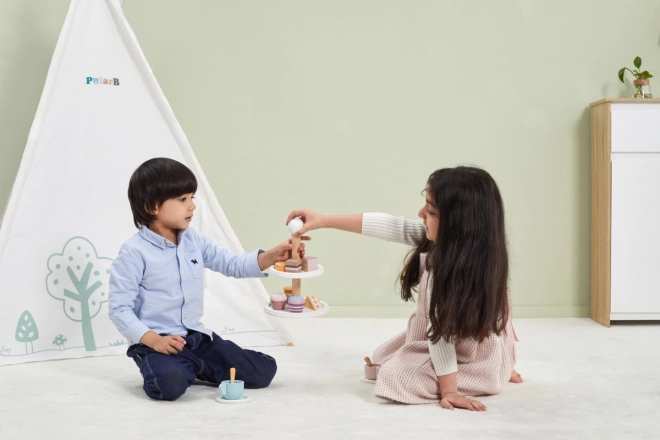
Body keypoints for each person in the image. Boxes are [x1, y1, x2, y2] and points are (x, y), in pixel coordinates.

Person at [287, 166, 522, 411]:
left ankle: (484, 374)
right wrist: (324, 220)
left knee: (395, 376)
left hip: (452, 344)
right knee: (380, 357)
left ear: (457, 224)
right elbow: (392, 226)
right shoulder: (472, 248)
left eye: (430, 211)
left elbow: (439, 335)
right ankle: (491, 368)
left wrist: (449, 390)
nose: (421, 213)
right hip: (470, 344)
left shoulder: (446, 271)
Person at [109, 157, 304, 401]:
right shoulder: (134, 253)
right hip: (157, 344)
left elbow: (233, 264)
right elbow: (119, 309)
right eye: (182, 199)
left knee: (265, 371)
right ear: (152, 207)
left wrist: (274, 255)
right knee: (168, 384)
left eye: (191, 197)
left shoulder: (194, 241)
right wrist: (154, 341)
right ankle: (183, 368)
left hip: (197, 339)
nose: (192, 206)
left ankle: (196, 365)